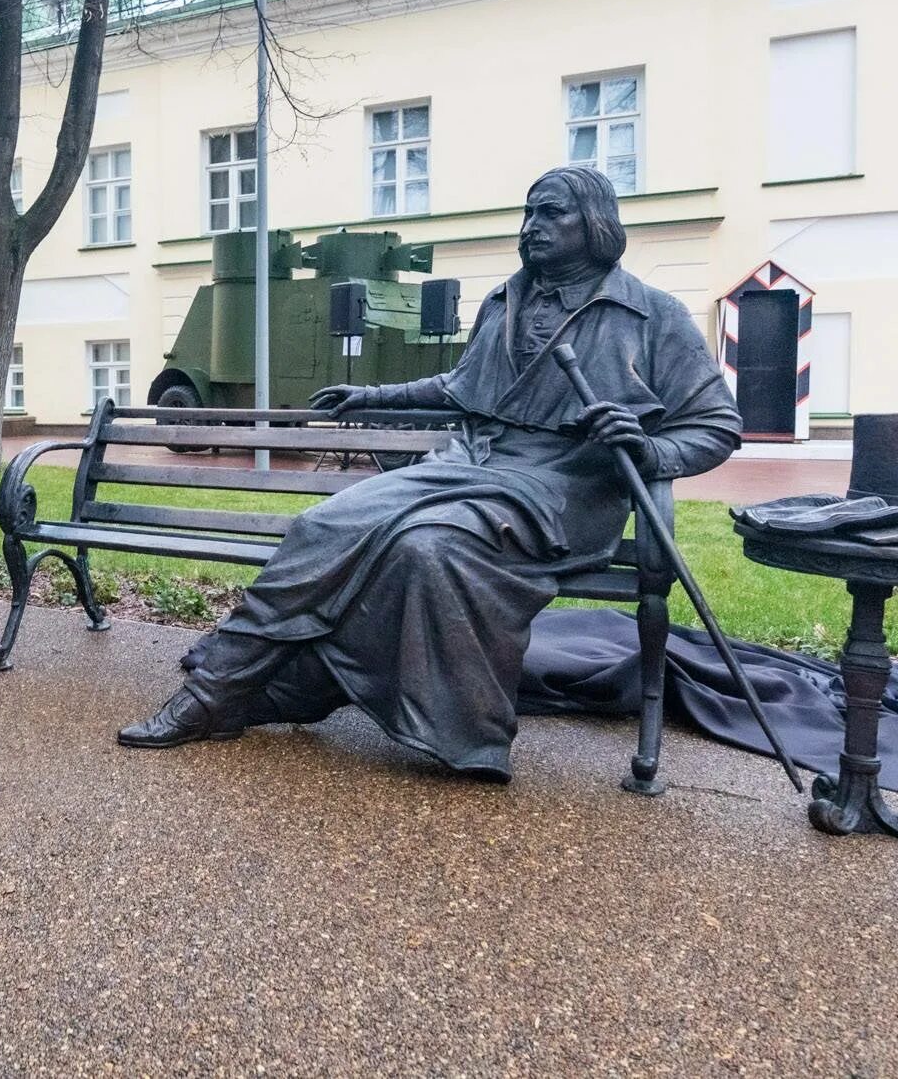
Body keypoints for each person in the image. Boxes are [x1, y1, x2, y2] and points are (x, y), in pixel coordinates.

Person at [117, 166, 742, 783]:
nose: (532, 228)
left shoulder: (652, 315)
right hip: (470, 463)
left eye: (552, 213)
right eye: (528, 214)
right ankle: (221, 686)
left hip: (562, 486)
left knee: (426, 547)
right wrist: (373, 398)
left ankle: (328, 698)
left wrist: (649, 449)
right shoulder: (506, 297)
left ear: (598, 222)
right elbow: (461, 386)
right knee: (323, 523)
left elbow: (716, 426)